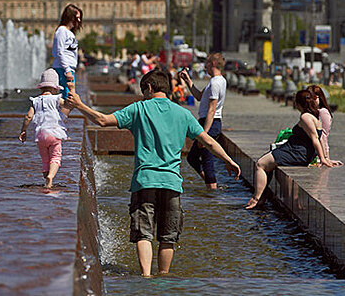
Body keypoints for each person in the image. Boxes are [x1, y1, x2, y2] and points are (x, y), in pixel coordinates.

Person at [67, 69, 240, 276]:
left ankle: (146, 278)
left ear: (149, 88)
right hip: (172, 183)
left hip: (144, 181)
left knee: (144, 234)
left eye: (144, 91)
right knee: (168, 237)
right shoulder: (183, 114)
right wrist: (229, 161)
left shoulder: (139, 109)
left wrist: (79, 105)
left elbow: (103, 120)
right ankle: (163, 277)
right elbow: (209, 142)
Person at [245, 90, 343, 210]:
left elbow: (315, 139)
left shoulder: (305, 117)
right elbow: (321, 138)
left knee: (260, 164)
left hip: (297, 153)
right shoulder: (314, 117)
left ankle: (256, 199)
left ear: (298, 104)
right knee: (267, 163)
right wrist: (326, 157)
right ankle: (262, 197)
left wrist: (323, 159)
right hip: (295, 150)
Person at [179, 53, 227, 189]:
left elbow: (212, 109)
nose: (204, 67)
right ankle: (210, 184)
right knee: (193, 157)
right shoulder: (217, 81)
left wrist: (204, 134)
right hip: (208, 122)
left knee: (207, 158)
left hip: (210, 123)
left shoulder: (215, 83)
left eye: (206, 63)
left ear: (212, 64)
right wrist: (188, 81)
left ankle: (212, 190)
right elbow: (200, 96)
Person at [19, 69, 71, 190]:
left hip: (41, 135)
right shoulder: (57, 99)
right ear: (55, 88)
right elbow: (67, 105)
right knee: (55, 157)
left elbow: (28, 117)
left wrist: (23, 130)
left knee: (45, 159)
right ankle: (51, 177)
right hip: (55, 133)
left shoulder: (35, 101)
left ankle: (46, 178)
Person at [52, 3, 83, 98]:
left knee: (69, 98)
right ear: (70, 17)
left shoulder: (69, 33)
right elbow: (58, 51)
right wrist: (67, 70)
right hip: (63, 69)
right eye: (76, 17)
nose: (79, 20)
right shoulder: (61, 31)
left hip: (68, 69)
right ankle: (60, 113)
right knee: (68, 98)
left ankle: (61, 113)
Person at [306, 85, 333, 161]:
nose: (312, 101)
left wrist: (325, 157)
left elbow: (323, 135)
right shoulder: (311, 112)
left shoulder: (323, 112)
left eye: (314, 98)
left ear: (320, 98)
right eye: (309, 98)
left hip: (319, 153)